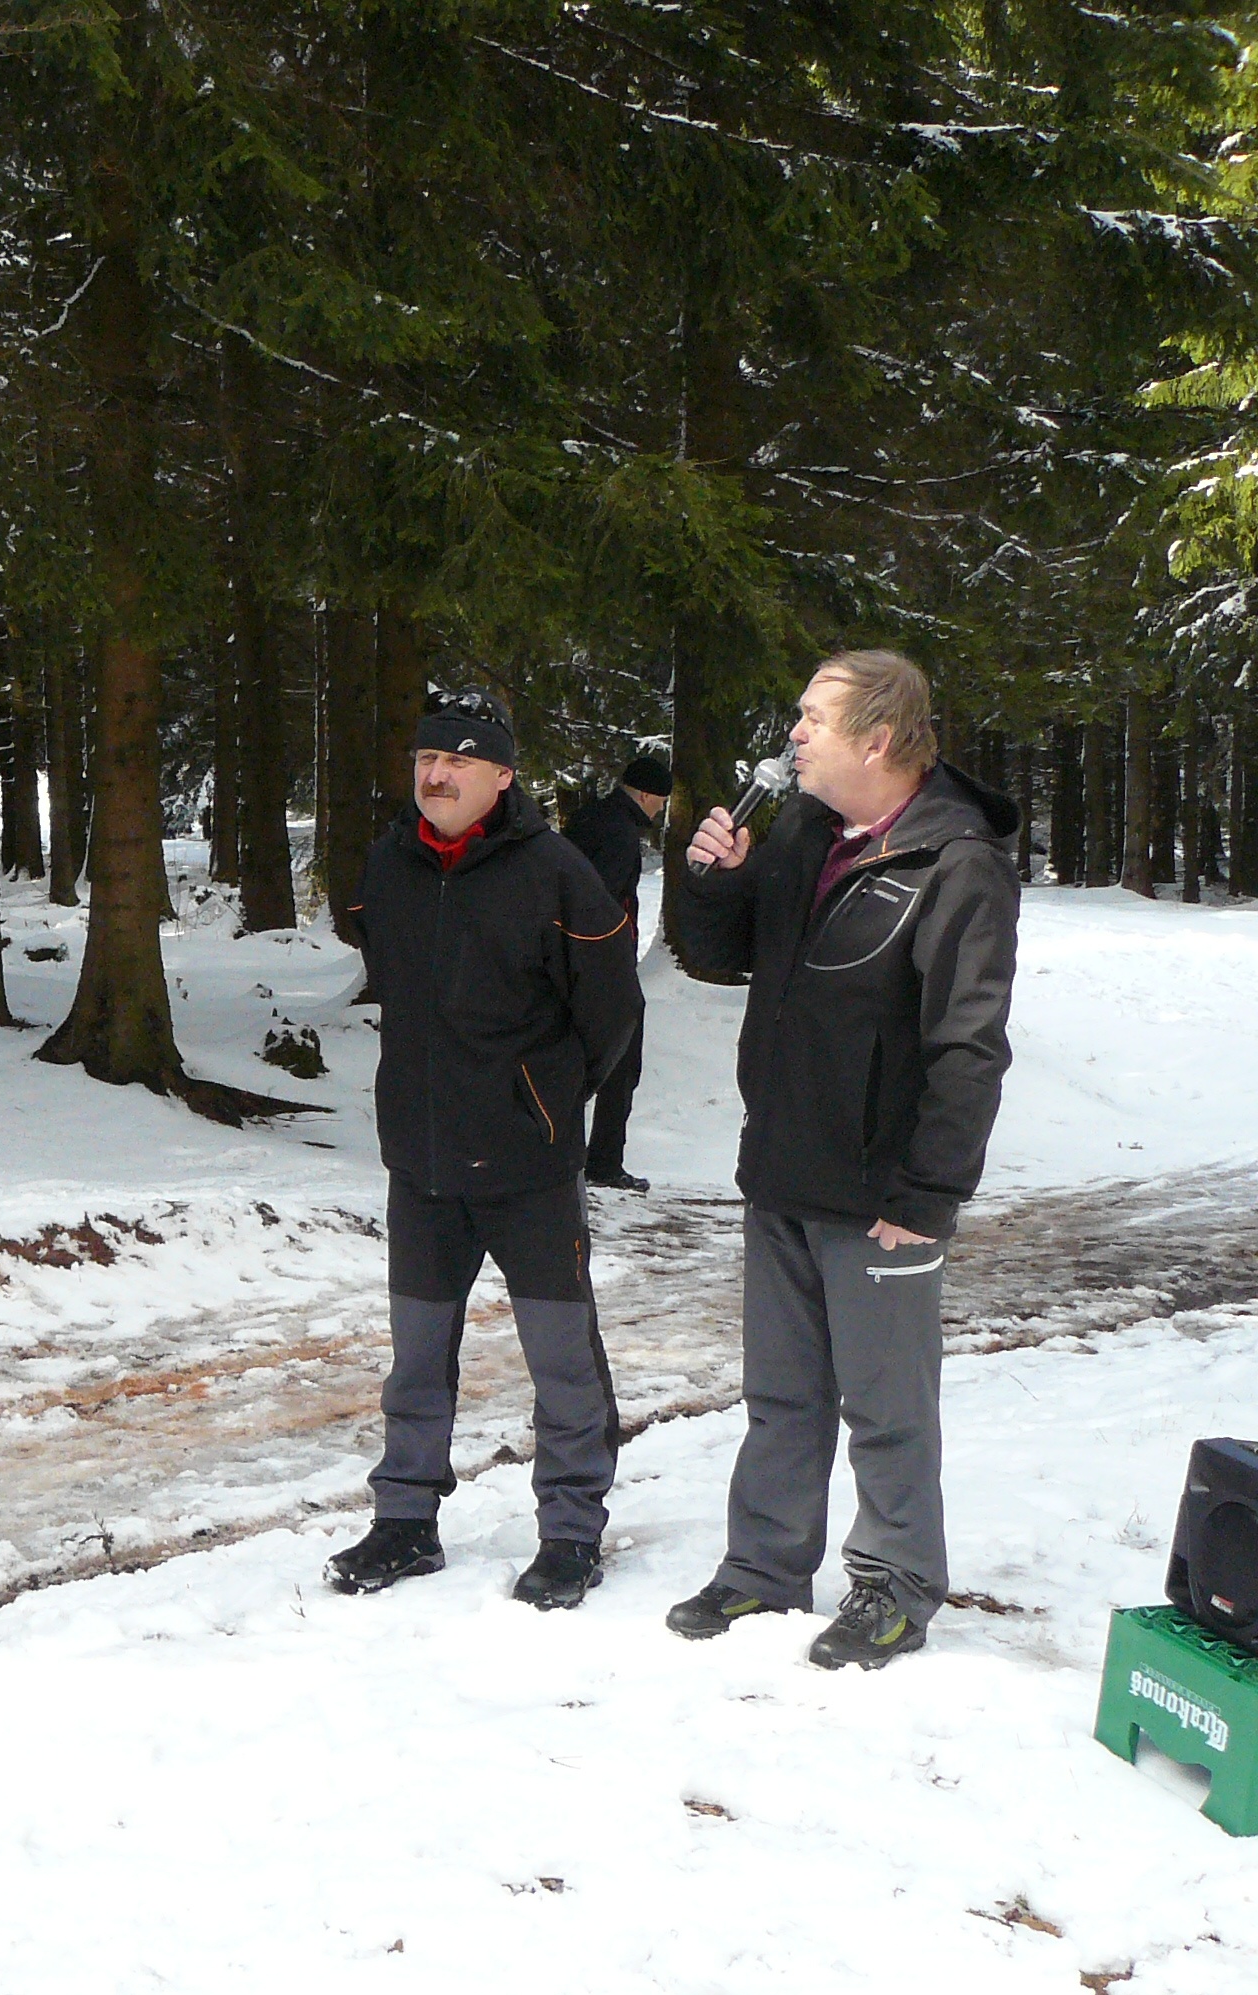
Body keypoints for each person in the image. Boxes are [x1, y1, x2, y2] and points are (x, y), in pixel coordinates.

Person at [667, 651, 1019, 1668]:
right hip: (783, 1163)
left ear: (878, 739)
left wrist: (929, 1191)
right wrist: (713, 880)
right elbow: (725, 959)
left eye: (814, 718)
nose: (795, 734)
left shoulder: (955, 862)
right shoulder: (804, 836)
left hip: (881, 1193)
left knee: (886, 1404)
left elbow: (969, 1046)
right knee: (781, 1394)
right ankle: (765, 1567)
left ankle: (896, 1585)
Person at [326, 688, 644, 1611]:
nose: (437, 775)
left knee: (562, 1360)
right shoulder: (387, 864)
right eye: (428, 758)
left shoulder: (557, 872)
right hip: (421, 1163)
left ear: (502, 776)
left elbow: (612, 1009)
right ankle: (405, 1519)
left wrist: (547, 1098)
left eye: (460, 761)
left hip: (528, 1166)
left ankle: (571, 1531)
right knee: (416, 1359)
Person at [563, 743, 675, 1191]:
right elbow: (605, 904)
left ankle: (562, 1155)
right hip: (603, 967)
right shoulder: (620, 834)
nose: (660, 811)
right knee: (622, 1064)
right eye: (660, 802)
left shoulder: (588, 817)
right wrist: (612, 967)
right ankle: (604, 1163)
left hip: (567, 960)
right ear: (646, 796)